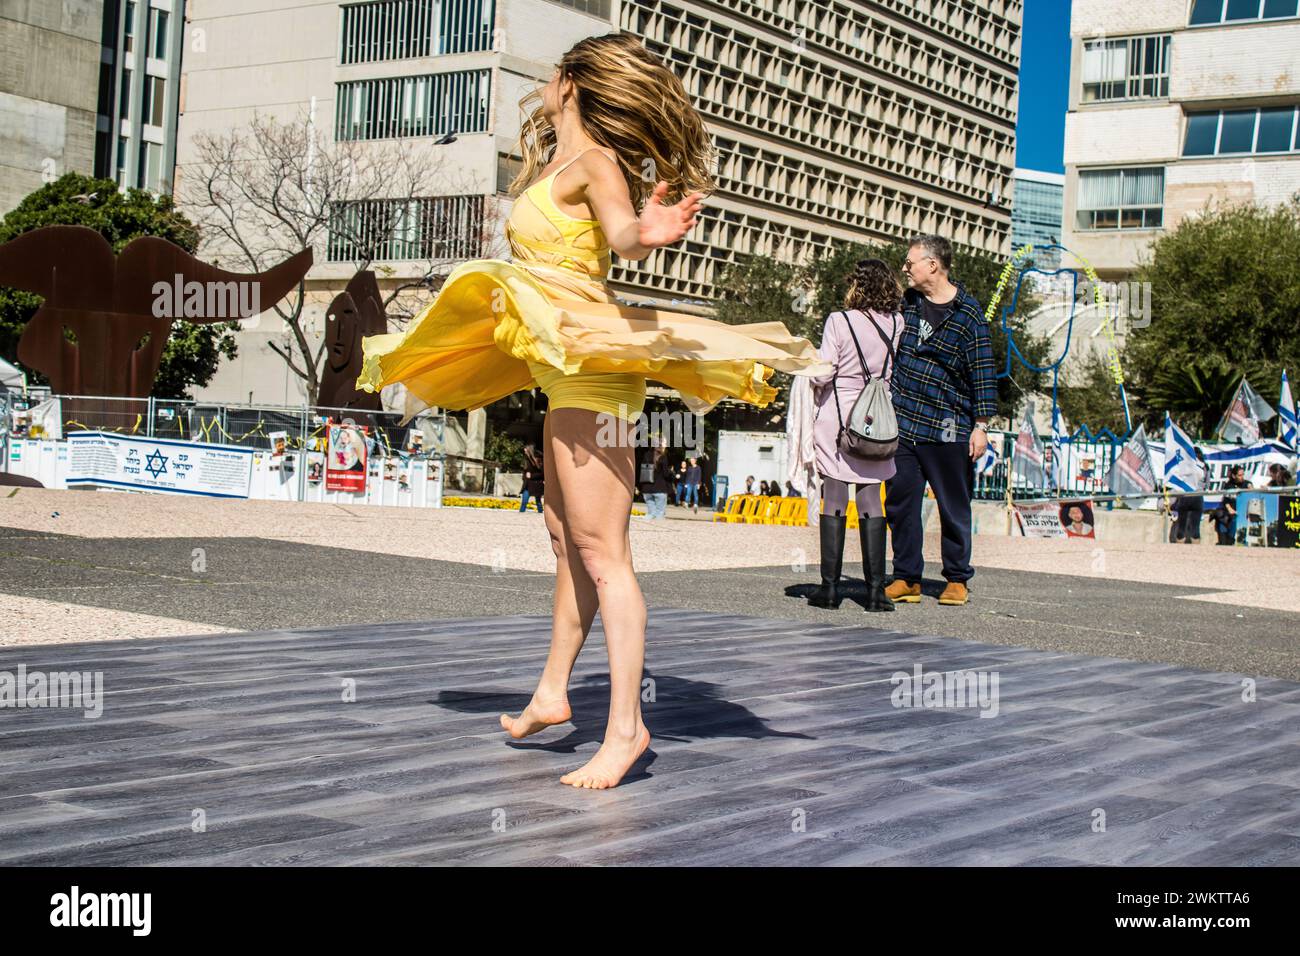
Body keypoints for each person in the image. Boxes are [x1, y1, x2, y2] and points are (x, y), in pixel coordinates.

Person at [356, 33, 827, 789]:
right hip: (560, 365)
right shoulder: (555, 163)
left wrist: (652, 229)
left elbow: (621, 238)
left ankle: (627, 730)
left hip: (593, 377)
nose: (543, 84)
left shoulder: (599, 164)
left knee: (605, 555)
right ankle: (552, 692)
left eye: (552, 73)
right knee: (561, 533)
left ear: (572, 82)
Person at [884, 235, 997, 607]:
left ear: (932, 265)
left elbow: (982, 371)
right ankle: (907, 578)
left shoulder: (969, 315)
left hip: (949, 427)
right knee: (901, 503)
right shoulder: (907, 304)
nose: (905, 267)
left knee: (953, 504)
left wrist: (980, 426)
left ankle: (957, 578)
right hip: (904, 423)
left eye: (910, 261)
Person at [806, 258, 903, 612]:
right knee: (871, 499)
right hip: (878, 418)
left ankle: (830, 590)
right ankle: (876, 593)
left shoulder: (839, 321)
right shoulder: (897, 323)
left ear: (856, 285)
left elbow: (822, 374)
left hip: (840, 415)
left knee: (834, 495)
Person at [1169, 448, 1206, 544]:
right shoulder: (1205, 467)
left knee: (1182, 525)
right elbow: (1207, 483)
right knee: (1195, 527)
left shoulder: (1185, 465)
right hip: (1198, 496)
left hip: (1185, 496)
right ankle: (1196, 552)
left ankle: (1180, 551)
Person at [1211, 465, 1250, 545]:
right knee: (1222, 520)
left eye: (1243, 475)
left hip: (1242, 513)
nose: (1242, 477)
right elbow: (1226, 501)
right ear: (1233, 476)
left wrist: (1251, 488)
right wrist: (1230, 509)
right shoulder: (1228, 485)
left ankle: (1230, 540)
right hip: (1229, 512)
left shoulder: (1247, 484)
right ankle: (1223, 541)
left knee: (1235, 519)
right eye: (1239, 475)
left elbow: (1252, 496)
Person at [638, 443, 674, 519]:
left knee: (651, 514)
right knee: (660, 514)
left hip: (647, 489)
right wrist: (671, 472)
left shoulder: (646, 455)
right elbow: (666, 474)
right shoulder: (662, 457)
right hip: (659, 488)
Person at [520, 443, 544, 513]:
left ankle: (540, 513)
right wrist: (524, 477)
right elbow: (524, 472)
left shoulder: (538, 460)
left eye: (526, 450)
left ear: (529, 451)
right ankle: (521, 514)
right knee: (524, 501)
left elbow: (542, 474)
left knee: (538, 502)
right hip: (527, 484)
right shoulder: (525, 461)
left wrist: (532, 476)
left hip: (536, 484)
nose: (524, 451)